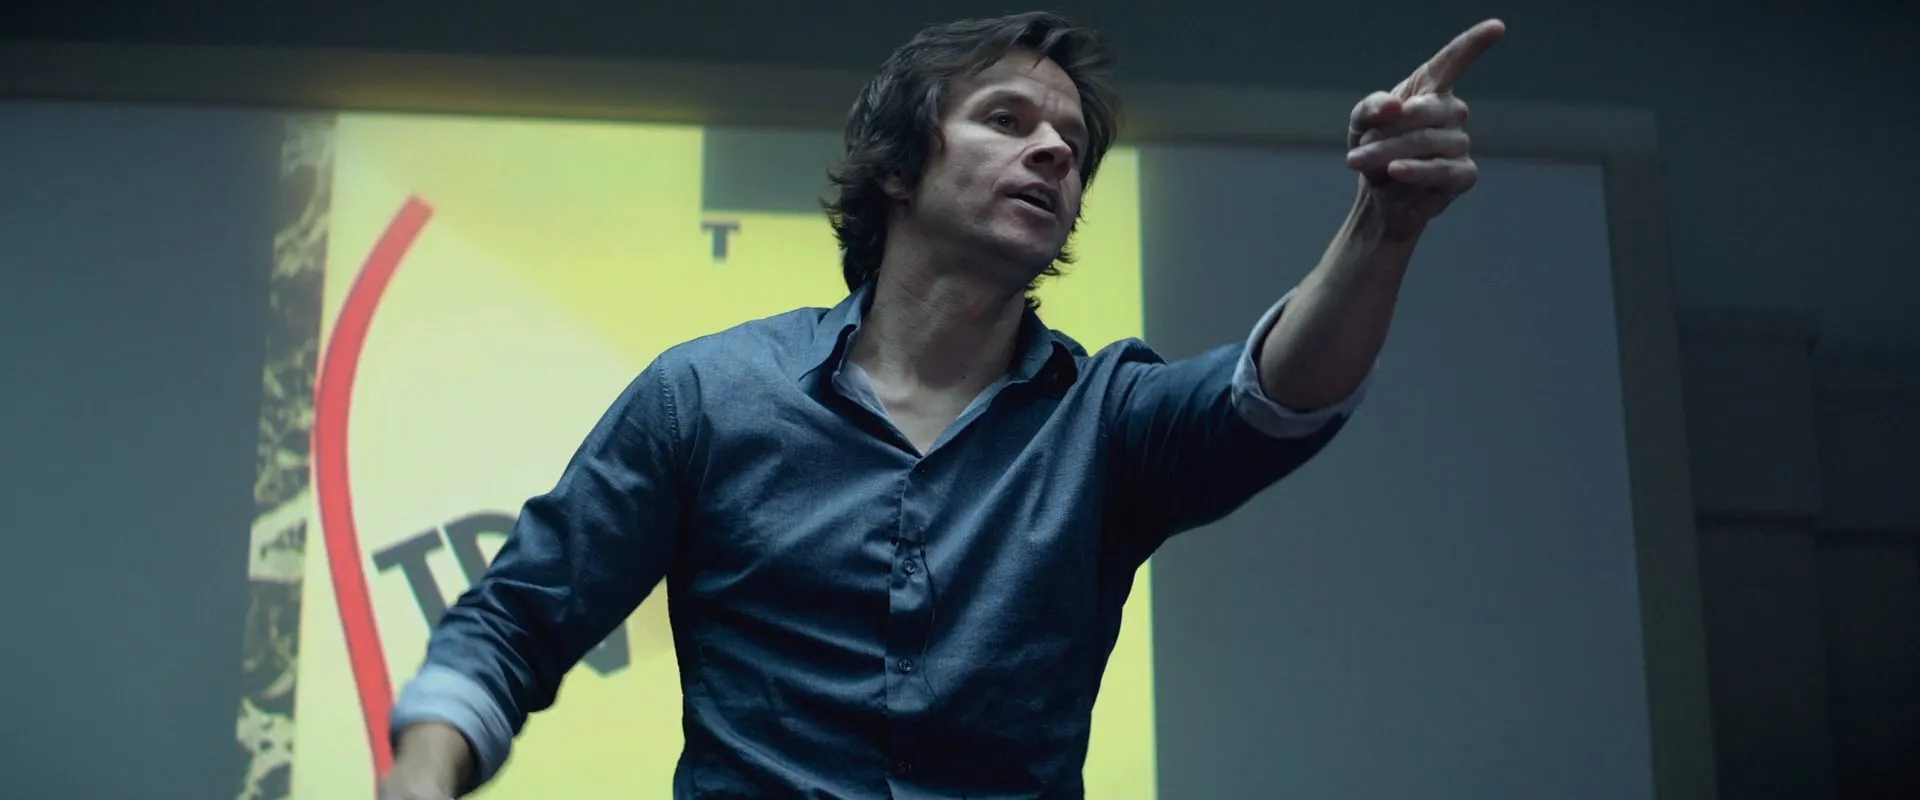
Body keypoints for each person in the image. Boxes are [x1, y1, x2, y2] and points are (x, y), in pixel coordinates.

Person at [379, 11, 1503, 800]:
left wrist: (1384, 226)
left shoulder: (1107, 417)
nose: (1054, 149)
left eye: (1072, 145)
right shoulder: (707, 396)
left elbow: (1277, 394)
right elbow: (514, 621)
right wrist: (422, 778)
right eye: (1007, 120)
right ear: (899, 169)